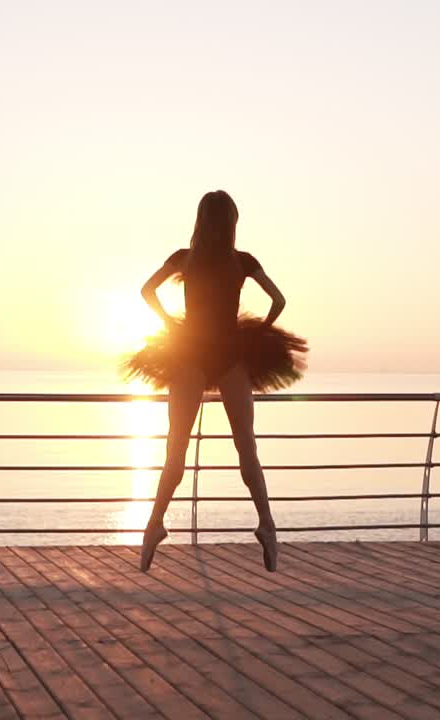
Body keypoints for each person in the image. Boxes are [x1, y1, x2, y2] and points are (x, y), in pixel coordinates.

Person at [124, 190, 307, 572]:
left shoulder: (184, 259)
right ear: (232, 224)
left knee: (176, 452)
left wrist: (169, 322)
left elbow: (146, 291)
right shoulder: (242, 261)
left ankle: (153, 528)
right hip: (229, 358)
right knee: (247, 449)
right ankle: (267, 526)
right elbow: (279, 300)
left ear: (200, 221)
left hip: (189, 355)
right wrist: (258, 334)